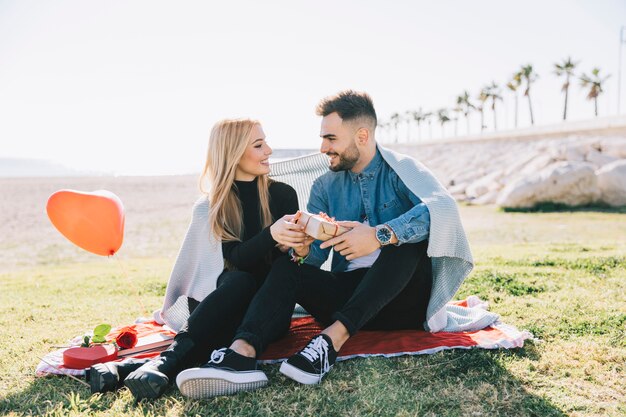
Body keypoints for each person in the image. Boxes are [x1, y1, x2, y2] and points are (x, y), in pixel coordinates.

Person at [175, 90, 479, 398]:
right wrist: (304, 249)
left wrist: (379, 235)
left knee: (407, 243)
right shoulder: (324, 186)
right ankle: (241, 354)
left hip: (403, 302)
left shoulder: (402, 171)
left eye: (331, 138)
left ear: (361, 135)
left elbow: (440, 209)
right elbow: (312, 260)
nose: (323, 148)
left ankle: (328, 343)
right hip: (345, 296)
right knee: (287, 265)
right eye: (322, 138)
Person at [88, 119, 308, 400]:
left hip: (268, 315)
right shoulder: (212, 205)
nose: (269, 150)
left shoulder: (282, 194)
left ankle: (149, 364)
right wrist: (271, 234)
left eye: (265, 142)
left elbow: (288, 264)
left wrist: (299, 249)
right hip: (228, 306)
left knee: (270, 271)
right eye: (258, 145)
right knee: (238, 279)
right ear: (234, 152)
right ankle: (150, 366)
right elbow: (235, 261)